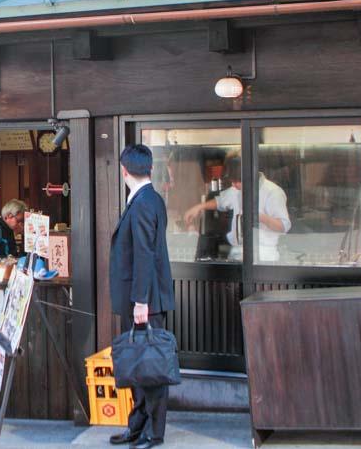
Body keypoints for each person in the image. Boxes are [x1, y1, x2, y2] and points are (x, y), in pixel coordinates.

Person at [109, 144, 174, 449]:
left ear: (125, 171)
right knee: (139, 367)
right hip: (142, 299)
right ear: (148, 168)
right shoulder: (148, 199)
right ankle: (136, 428)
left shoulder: (144, 202)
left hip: (145, 301)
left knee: (151, 370)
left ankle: (154, 434)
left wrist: (140, 302)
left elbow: (145, 255)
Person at [184, 155, 291, 262]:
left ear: (249, 176)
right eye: (232, 181)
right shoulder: (236, 189)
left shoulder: (272, 192)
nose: (233, 185)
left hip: (264, 257)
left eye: (236, 181)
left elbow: (283, 226)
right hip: (237, 254)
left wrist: (258, 217)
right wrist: (199, 207)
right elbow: (220, 201)